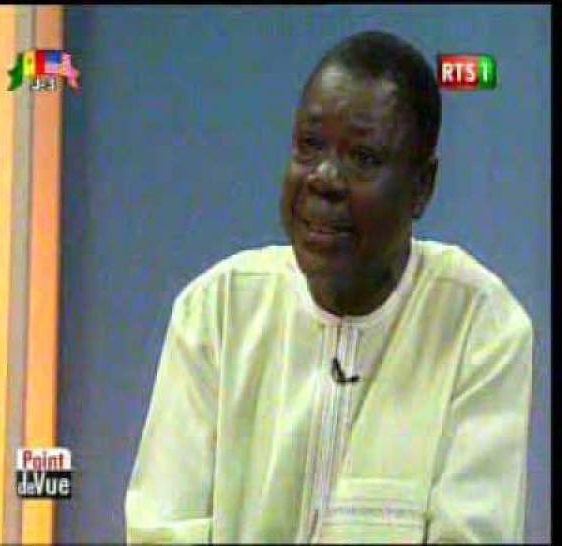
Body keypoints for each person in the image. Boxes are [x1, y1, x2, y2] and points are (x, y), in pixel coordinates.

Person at [125, 30, 533, 543]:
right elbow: (163, 530)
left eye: (363, 158)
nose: (323, 178)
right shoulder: (216, 312)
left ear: (422, 187)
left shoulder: (480, 328)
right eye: (309, 146)